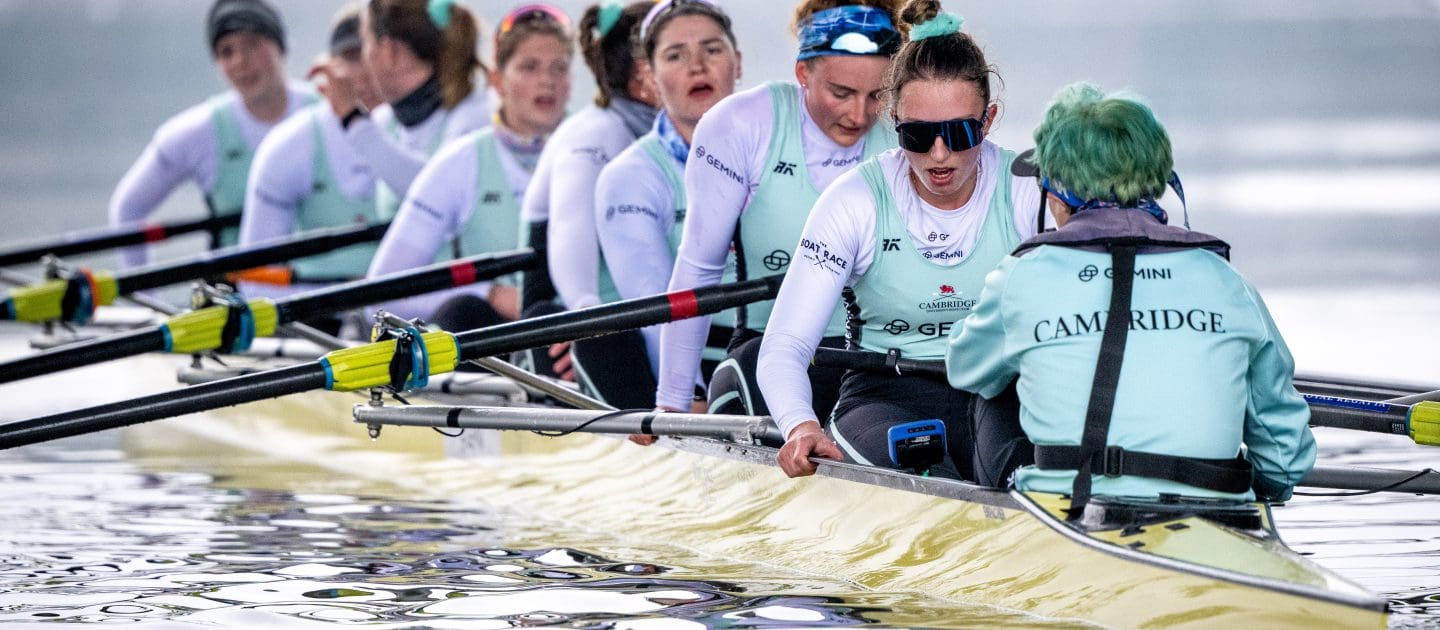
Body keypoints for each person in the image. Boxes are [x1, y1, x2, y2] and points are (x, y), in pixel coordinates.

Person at [947, 82, 1316, 507]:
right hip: (1217, 510)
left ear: (1058, 190)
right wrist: (1266, 494)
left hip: (1071, 512)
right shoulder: (1227, 282)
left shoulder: (1020, 277)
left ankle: (999, 523)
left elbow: (965, 369)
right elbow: (1287, 458)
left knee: (994, 385)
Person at [758, 2, 1040, 479]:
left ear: (988, 120)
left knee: (1018, 471)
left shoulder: (1027, 189)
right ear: (893, 121)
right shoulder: (854, 201)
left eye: (960, 131)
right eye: (918, 134)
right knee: (930, 474)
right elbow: (784, 345)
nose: (939, 154)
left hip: (999, 393)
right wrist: (800, 425)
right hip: (885, 394)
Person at [655, 0, 901, 418]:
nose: (859, 115)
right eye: (841, 93)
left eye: (876, 95)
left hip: (876, 355)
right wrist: (674, 404)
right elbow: (699, 269)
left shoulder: (908, 123)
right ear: (802, 73)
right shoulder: (742, 123)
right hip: (765, 349)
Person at [366, 3, 573, 330]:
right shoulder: (461, 162)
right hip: (492, 352)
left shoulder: (597, 147)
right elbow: (379, 296)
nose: (547, 81)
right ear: (497, 80)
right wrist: (488, 293)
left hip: (574, 338)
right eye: (529, 67)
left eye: (559, 67)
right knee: (463, 311)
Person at [592, 0, 743, 407]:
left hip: (769, 356)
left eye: (712, 50)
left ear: (738, 63)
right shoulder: (630, 176)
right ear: (650, 80)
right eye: (675, 56)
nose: (697, 66)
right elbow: (659, 308)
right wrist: (689, 397)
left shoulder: (786, 151)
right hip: (685, 370)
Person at [108, 0, 312, 268]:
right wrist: (146, 298)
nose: (241, 62)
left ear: (280, 45)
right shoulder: (197, 133)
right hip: (239, 298)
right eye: (227, 52)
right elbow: (128, 209)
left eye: (252, 44)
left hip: (330, 292)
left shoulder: (332, 112)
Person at [516, 0, 658, 381]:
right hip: (570, 326)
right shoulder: (596, 133)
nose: (696, 65)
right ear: (641, 73)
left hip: (643, 317)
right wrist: (584, 316)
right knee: (604, 338)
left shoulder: (684, 131)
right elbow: (569, 231)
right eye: (675, 53)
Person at [236, 4, 386, 301]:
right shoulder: (289, 146)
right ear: (327, 67)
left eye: (373, 54)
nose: (363, 71)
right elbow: (254, 280)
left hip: (416, 315)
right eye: (351, 57)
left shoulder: (430, 131)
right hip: (324, 321)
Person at [312, 0, 491, 221]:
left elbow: (439, 196)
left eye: (366, 42)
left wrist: (352, 118)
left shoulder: (475, 117)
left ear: (389, 51)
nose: (365, 61)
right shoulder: (384, 120)